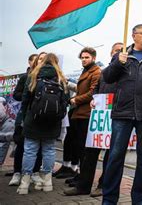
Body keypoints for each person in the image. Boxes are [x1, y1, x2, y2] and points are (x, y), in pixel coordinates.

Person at [101, 24, 142, 205]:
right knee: (115, 157)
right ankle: (109, 199)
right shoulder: (121, 56)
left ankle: (139, 200)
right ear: (134, 36)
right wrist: (118, 63)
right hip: (122, 114)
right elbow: (108, 78)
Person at [64, 43, 123, 197]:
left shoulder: (127, 71)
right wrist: (94, 99)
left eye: (122, 51)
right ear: (111, 53)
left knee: (111, 155)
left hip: (116, 117)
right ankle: (83, 186)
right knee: (89, 153)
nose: (118, 53)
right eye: (116, 50)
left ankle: (103, 185)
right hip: (99, 118)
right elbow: (96, 89)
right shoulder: (104, 72)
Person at [17, 53, 69, 194]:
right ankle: (47, 182)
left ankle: (24, 184)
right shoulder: (61, 79)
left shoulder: (33, 76)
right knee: (49, 150)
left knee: (29, 150)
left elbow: (25, 100)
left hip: (33, 120)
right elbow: (65, 103)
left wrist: (25, 117)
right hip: (52, 122)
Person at [63, 47, 101, 192]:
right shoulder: (86, 71)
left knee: (86, 151)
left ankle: (83, 181)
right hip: (79, 114)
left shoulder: (96, 72)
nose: (84, 60)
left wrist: (76, 100)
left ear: (93, 58)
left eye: (87, 57)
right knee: (80, 149)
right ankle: (80, 176)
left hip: (87, 114)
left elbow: (93, 93)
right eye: (82, 57)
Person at [9, 54, 44, 187]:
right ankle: (17, 172)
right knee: (21, 145)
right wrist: (28, 94)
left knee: (39, 147)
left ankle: (35, 172)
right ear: (32, 62)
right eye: (39, 59)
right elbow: (16, 95)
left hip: (39, 119)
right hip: (24, 117)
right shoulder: (25, 77)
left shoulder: (45, 80)